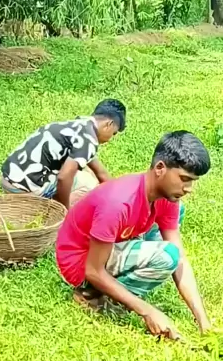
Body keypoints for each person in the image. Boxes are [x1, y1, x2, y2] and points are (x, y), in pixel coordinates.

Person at [56, 131, 211, 339]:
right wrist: (147, 311)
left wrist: (203, 322)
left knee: (174, 240)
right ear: (160, 168)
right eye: (184, 179)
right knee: (167, 256)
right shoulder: (118, 203)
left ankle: (112, 290)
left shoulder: (166, 196)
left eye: (193, 181)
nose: (189, 188)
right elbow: (93, 270)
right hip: (81, 261)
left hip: (109, 243)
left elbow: (181, 259)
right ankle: (93, 297)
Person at [0, 99, 126, 208]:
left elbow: (100, 171)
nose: (110, 138)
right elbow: (63, 177)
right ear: (109, 124)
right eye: (113, 133)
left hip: (8, 178)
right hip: (22, 189)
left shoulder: (80, 125)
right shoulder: (88, 140)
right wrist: (65, 209)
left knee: (87, 173)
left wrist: (119, 197)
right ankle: (54, 212)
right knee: (89, 185)